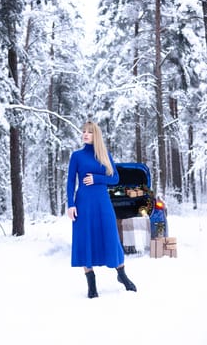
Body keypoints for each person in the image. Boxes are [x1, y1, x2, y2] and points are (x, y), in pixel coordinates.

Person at [67, 121, 137, 298]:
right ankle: (91, 285)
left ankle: (122, 276)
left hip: (103, 203)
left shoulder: (104, 154)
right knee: (85, 240)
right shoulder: (77, 156)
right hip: (83, 203)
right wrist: (70, 204)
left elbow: (114, 178)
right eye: (83, 131)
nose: (85, 134)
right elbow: (70, 182)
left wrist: (97, 178)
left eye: (89, 132)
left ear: (95, 135)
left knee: (111, 237)